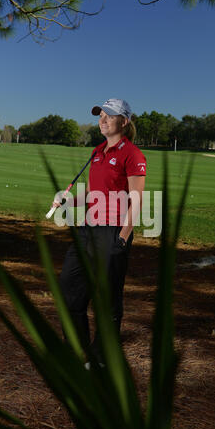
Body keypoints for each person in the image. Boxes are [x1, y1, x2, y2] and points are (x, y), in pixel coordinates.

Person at [53, 98, 147, 367]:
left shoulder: (133, 154)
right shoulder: (97, 151)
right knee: (69, 286)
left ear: (124, 121)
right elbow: (94, 192)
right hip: (88, 228)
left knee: (107, 297)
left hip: (113, 230)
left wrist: (123, 236)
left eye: (109, 116)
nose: (102, 120)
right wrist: (68, 200)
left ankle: (102, 356)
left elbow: (136, 199)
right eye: (100, 116)